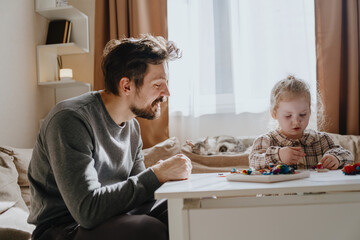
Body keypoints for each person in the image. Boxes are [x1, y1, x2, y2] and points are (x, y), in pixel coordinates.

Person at [28, 35, 192, 240]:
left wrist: (166, 176)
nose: (167, 93)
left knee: (185, 210)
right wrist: (156, 174)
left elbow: (140, 192)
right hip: (63, 228)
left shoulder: (131, 126)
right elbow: (87, 211)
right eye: (158, 84)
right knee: (148, 229)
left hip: (112, 217)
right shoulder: (70, 120)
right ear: (126, 86)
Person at [249, 75, 354, 170]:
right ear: (274, 114)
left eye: (302, 114)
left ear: (309, 111)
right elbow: (253, 161)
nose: (296, 121)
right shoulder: (266, 140)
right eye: (288, 116)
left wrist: (335, 158)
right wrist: (278, 155)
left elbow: (348, 156)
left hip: (314, 191)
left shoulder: (321, 140)